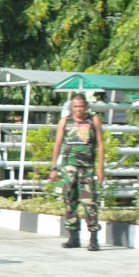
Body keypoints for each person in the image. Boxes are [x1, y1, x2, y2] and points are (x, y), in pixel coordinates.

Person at [49, 92, 106, 251]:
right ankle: (73, 237)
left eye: (81, 106)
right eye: (75, 106)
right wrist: (54, 167)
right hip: (69, 168)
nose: (79, 109)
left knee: (89, 202)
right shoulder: (65, 122)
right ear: (71, 107)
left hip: (87, 168)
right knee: (69, 200)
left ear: (86, 106)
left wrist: (101, 169)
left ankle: (93, 238)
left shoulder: (93, 120)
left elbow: (100, 144)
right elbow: (58, 144)